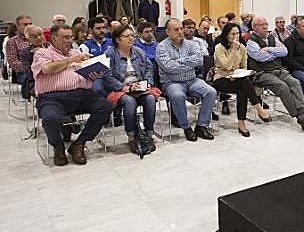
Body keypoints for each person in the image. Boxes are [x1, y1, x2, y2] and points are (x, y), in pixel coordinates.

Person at [32, 24, 114, 166]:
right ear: (53, 38)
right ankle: (58, 146)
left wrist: (92, 75)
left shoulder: (77, 52)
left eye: (71, 37)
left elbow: (87, 76)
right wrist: (71, 60)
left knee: (106, 106)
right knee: (51, 117)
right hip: (53, 98)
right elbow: (47, 69)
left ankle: (80, 143)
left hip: (82, 94)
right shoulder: (42, 54)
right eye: (65, 37)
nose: (70, 40)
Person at [247, 16, 304, 129]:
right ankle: (299, 116)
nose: (265, 27)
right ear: (255, 28)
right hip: (262, 73)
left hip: (279, 70)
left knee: (295, 82)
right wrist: (276, 54)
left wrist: (269, 50)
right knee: (283, 87)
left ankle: (303, 111)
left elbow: (284, 51)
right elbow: (260, 57)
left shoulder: (271, 37)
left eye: (266, 24)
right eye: (262, 25)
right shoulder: (251, 42)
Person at [155, 19, 218, 141]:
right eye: (176, 29)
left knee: (211, 92)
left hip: (191, 80)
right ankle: (186, 127)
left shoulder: (191, 44)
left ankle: (201, 126)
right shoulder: (161, 47)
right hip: (172, 82)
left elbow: (199, 60)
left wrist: (180, 61)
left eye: (181, 28)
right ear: (167, 32)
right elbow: (169, 67)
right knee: (178, 96)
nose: (180, 31)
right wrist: (189, 63)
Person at [103, 25, 157, 153]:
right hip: (120, 89)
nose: (131, 38)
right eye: (127, 36)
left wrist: (147, 83)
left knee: (150, 99)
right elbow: (107, 76)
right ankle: (132, 137)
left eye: (132, 36)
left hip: (140, 87)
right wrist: (124, 87)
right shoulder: (110, 54)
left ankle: (149, 134)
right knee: (129, 102)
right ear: (118, 40)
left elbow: (149, 69)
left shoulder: (139, 52)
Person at [213, 23, 271, 137]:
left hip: (237, 79)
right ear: (226, 35)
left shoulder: (242, 48)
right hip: (221, 79)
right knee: (244, 84)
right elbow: (227, 66)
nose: (236, 36)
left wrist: (241, 73)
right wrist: (234, 49)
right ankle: (259, 109)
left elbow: (243, 66)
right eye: (232, 34)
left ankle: (242, 123)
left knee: (242, 89)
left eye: (238, 33)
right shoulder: (219, 48)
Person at [5, 14, 32, 84]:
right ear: (18, 27)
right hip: (24, 73)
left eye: (30, 24)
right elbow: (13, 62)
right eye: (25, 25)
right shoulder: (12, 42)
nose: (29, 27)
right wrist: (31, 68)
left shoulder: (37, 39)